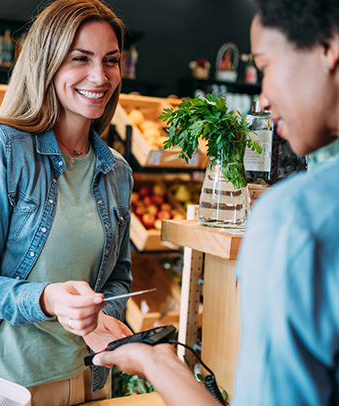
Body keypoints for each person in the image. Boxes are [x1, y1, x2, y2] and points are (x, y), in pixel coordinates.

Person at [93, 0, 339, 404]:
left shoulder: (294, 219)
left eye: (266, 66)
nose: (262, 99)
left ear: (329, 46)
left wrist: (159, 365)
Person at [0, 1, 134, 405]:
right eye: (80, 59)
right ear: (47, 63)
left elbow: (118, 279)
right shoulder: (0, 150)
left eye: (111, 60)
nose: (100, 77)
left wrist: (104, 316)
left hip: (86, 380)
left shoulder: (116, 171)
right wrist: (47, 299)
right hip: (1, 385)